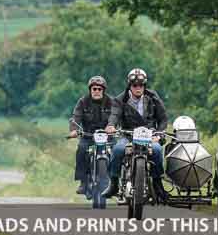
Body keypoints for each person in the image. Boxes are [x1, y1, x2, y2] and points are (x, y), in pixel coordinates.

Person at [102, 67, 167, 199]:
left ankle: (157, 183)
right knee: (118, 150)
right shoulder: (120, 99)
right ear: (129, 85)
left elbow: (163, 118)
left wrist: (159, 134)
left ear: (145, 85)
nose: (138, 88)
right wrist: (110, 125)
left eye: (141, 85)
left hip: (149, 135)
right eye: (135, 85)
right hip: (128, 135)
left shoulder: (153, 97)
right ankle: (113, 184)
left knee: (157, 150)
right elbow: (114, 115)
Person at [68, 75, 112, 194]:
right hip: (88, 135)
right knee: (81, 149)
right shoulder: (83, 101)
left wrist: (113, 127)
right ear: (90, 90)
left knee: (118, 151)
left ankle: (116, 181)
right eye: (94, 89)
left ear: (103, 90)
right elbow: (76, 117)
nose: (97, 91)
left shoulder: (111, 102)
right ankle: (83, 181)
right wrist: (74, 130)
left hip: (108, 137)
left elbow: (117, 116)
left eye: (99, 89)